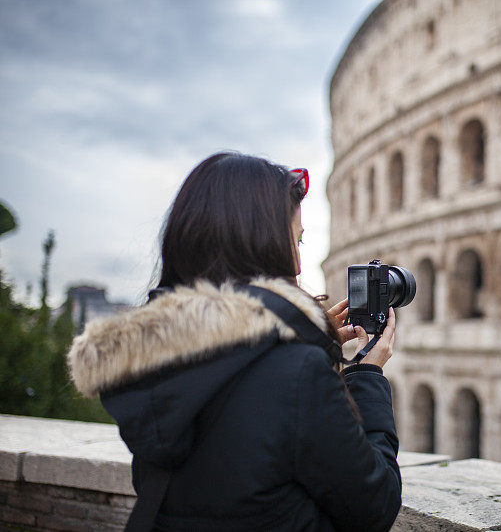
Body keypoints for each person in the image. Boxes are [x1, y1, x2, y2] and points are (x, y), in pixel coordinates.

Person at [68, 152, 401, 531]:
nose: (297, 265)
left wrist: (305, 337)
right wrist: (368, 375)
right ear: (265, 246)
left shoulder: (150, 360)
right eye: (297, 241)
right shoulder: (296, 373)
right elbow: (376, 506)